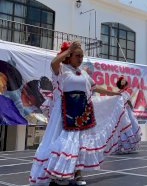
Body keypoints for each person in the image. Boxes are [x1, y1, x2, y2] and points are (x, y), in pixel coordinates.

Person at [29, 41, 131, 186]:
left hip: (82, 113)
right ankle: (56, 173)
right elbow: (53, 63)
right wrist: (68, 49)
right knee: (61, 142)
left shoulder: (83, 73)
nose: (80, 59)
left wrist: (114, 93)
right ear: (69, 56)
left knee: (79, 144)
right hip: (63, 114)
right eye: (77, 55)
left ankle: (76, 174)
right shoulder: (62, 69)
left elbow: (96, 87)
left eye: (82, 56)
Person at [115, 76, 142, 153]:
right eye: (122, 81)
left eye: (124, 81)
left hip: (127, 112)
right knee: (122, 128)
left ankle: (129, 146)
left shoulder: (126, 92)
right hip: (121, 112)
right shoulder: (118, 92)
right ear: (119, 83)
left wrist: (131, 108)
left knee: (129, 127)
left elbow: (129, 101)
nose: (123, 82)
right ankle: (122, 146)